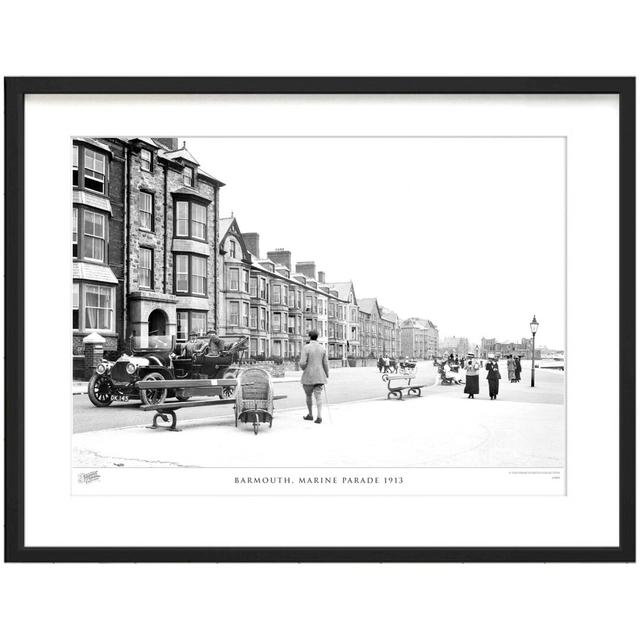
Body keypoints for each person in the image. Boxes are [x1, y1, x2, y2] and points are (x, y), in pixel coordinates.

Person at [299, 329, 330, 424]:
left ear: (309, 336)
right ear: (317, 337)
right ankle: (319, 416)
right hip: (320, 376)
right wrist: (326, 374)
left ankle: (310, 415)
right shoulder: (322, 348)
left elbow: (302, 362)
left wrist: (304, 368)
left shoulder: (306, 347)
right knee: (318, 396)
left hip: (308, 376)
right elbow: (325, 363)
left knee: (308, 395)